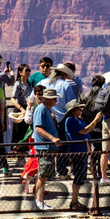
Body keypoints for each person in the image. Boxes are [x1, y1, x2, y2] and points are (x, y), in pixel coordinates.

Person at [30, 84, 62, 212]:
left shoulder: (47, 110)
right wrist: (52, 138)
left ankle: (40, 200)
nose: (56, 101)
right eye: (54, 98)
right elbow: (38, 128)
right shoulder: (41, 109)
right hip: (44, 147)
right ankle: (39, 201)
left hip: (48, 147)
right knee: (42, 176)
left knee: (44, 176)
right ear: (48, 99)